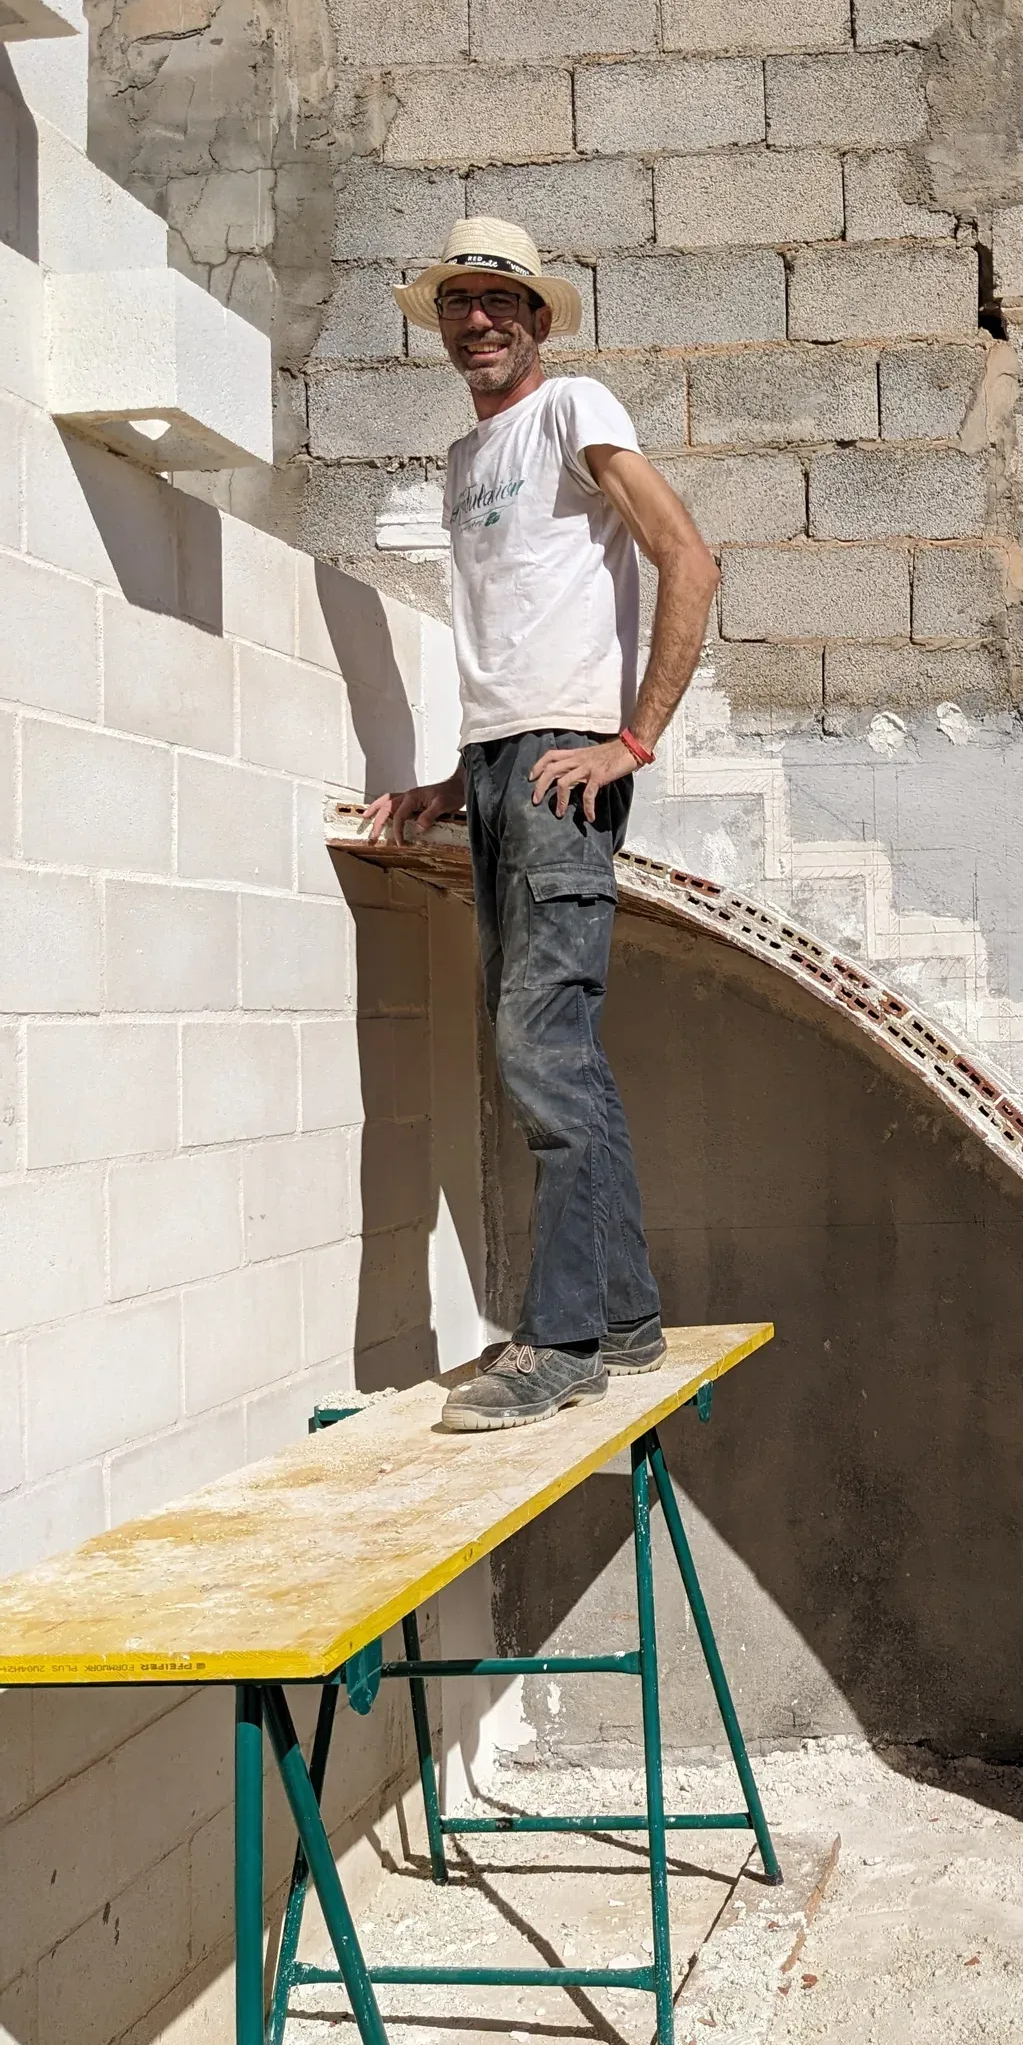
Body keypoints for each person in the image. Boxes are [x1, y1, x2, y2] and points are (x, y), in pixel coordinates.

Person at [364, 218, 719, 1431]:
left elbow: (689, 558)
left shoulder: (578, 411)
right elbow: (514, 645)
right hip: (503, 771)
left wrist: (632, 739)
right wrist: (453, 785)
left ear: (537, 320)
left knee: (538, 1050)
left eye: (498, 302)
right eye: (458, 302)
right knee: (560, 1052)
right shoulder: (471, 461)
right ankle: (622, 1318)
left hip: (570, 778)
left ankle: (559, 1342)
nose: (477, 320)